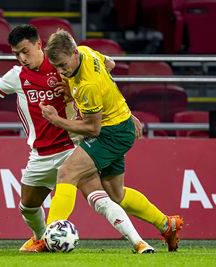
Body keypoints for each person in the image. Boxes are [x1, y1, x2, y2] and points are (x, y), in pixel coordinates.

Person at [0, 25, 155, 254]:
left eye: (25, 51)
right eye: (16, 54)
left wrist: (124, 113)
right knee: (27, 206)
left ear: (39, 45)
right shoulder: (17, 75)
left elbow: (102, 76)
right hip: (40, 154)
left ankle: (139, 243)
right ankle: (42, 237)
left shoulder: (62, 61)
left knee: (99, 197)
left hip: (73, 146)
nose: (21, 57)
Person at [39, 29, 183, 252]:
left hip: (110, 133)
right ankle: (166, 224)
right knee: (116, 193)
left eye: (62, 65)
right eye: (56, 66)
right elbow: (111, 65)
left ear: (74, 53)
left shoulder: (88, 85)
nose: (60, 71)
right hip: (120, 123)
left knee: (67, 172)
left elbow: (92, 128)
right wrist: (119, 106)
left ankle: (49, 238)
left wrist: (56, 119)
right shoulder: (87, 53)